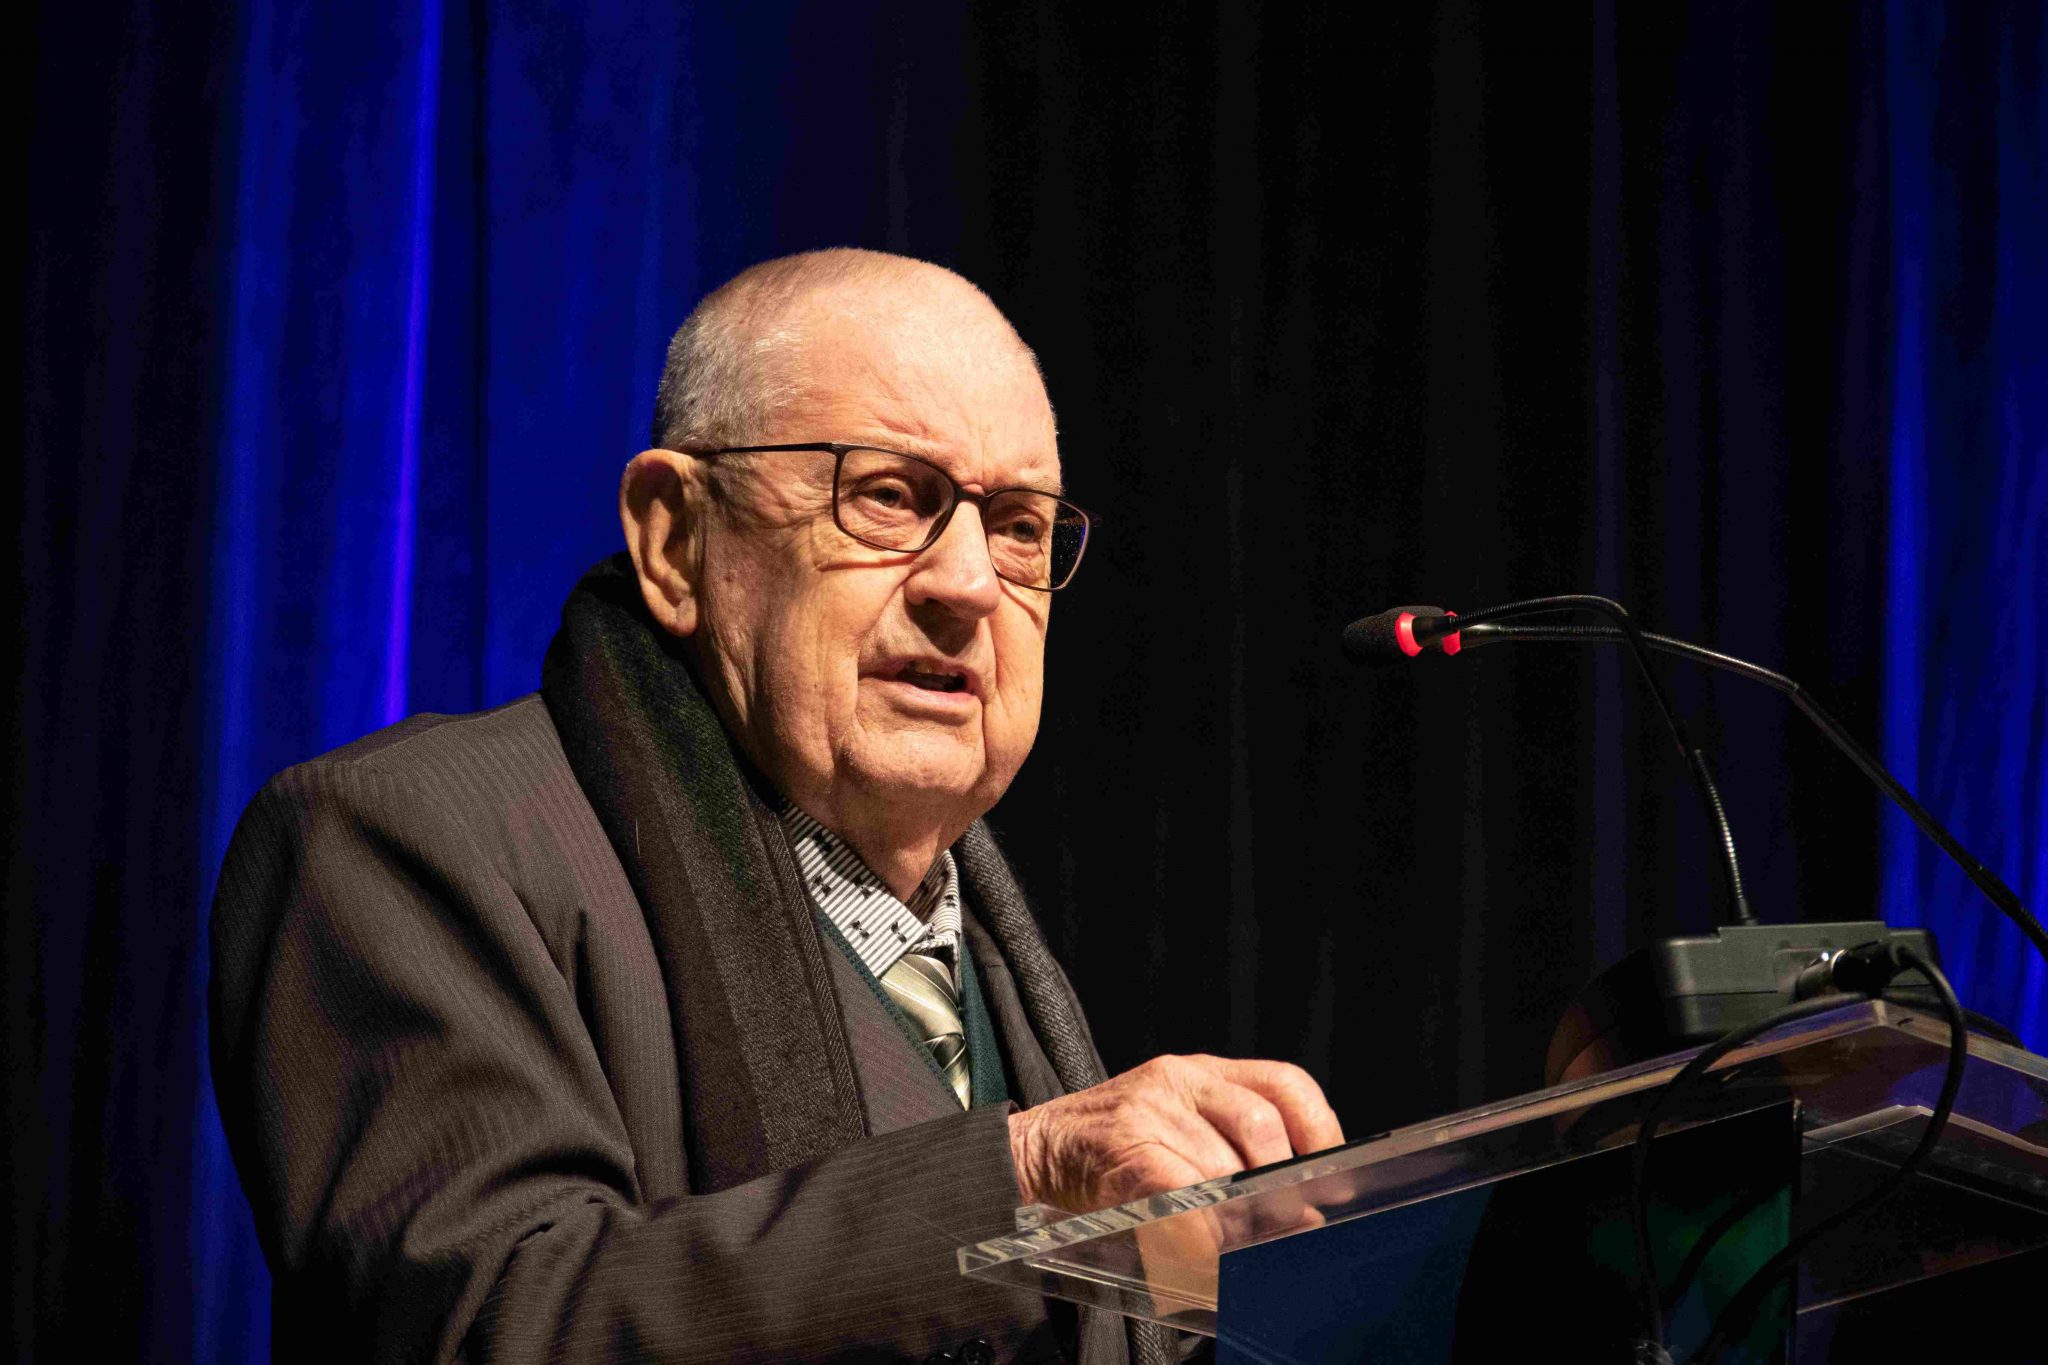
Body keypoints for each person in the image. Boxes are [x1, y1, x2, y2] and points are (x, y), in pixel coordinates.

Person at [210, 248, 1343, 1363]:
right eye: (888, 496)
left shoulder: (995, 954)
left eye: (1017, 526)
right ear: (675, 539)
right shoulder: (406, 838)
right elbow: (490, 1323)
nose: (967, 584)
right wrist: (1023, 1178)